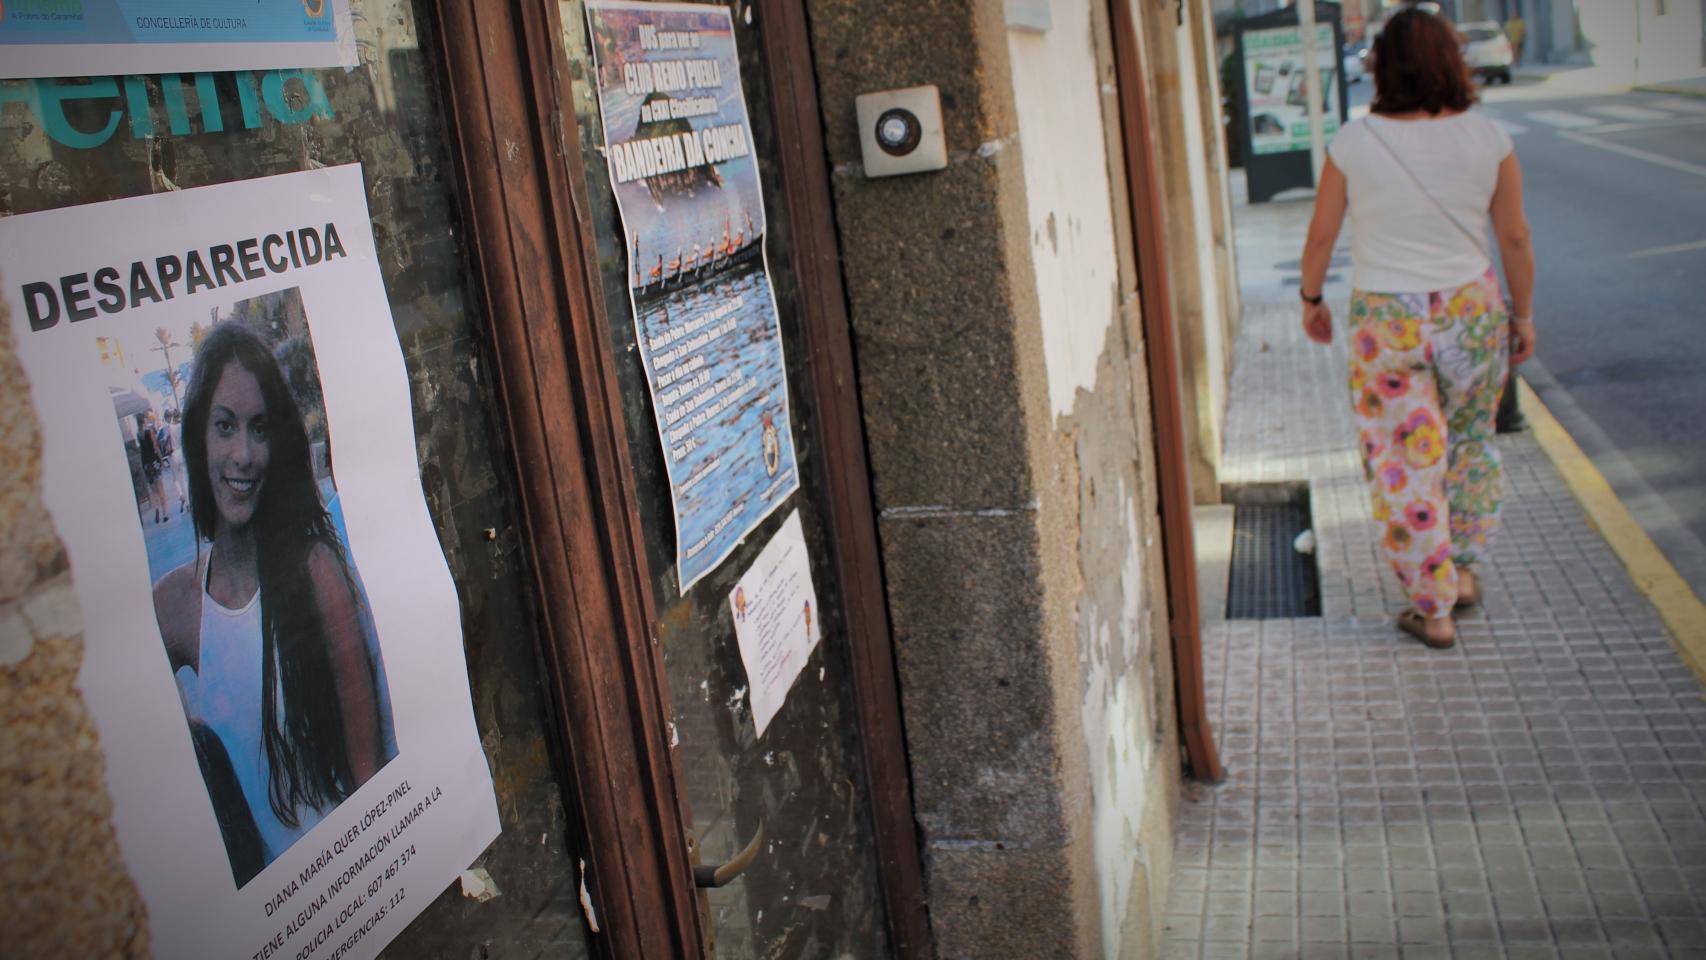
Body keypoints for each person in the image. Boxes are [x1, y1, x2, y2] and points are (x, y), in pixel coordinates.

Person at [1297, 5, 1537, 649]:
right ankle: (1461, 573)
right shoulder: (1489, 137)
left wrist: (1311, 298)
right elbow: (1513, 237)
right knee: (1469, 439)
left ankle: (1433, 609)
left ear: (1382, 67)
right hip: (1472, 308)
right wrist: (1523, 314)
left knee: (1406, 456)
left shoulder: (1354, 141)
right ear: (1451, 62)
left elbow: (1322, 234)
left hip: (1387, 318)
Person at [152, 323, 392, 881]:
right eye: (224, 426)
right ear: (197, 439)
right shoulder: (174, 606)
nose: (243, 454)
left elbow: (369, 777)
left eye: (259, 429)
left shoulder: (316, 570)